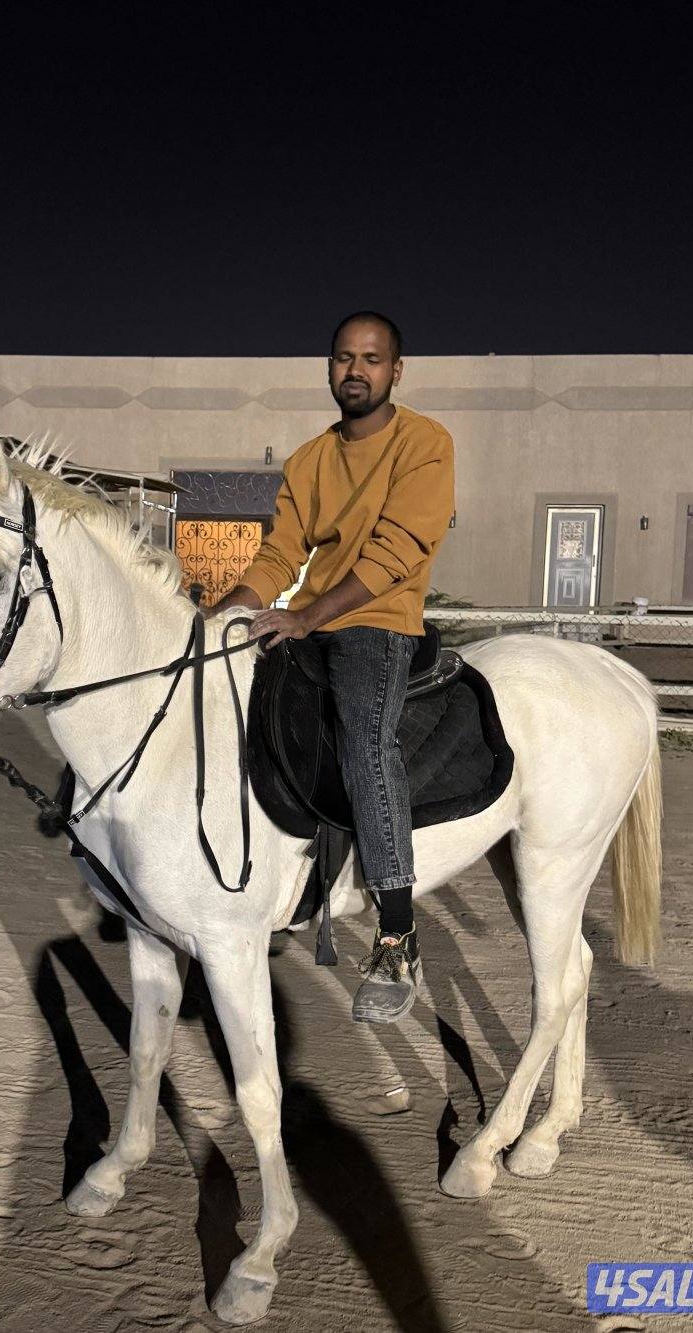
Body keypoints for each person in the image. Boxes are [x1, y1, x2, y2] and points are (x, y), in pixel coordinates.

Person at [204, 311, 455, 1023]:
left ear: (395, 371)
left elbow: (397, 551)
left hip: (377, 621)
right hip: (308, 616)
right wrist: (224, 616)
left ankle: (398, 930)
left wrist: (309, 616)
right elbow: (280, 554)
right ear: (329, 367)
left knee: (362, 739)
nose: (356, 370)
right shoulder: (311, 459)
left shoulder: (425, 444)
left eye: (372, 359)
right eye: (344, 358)